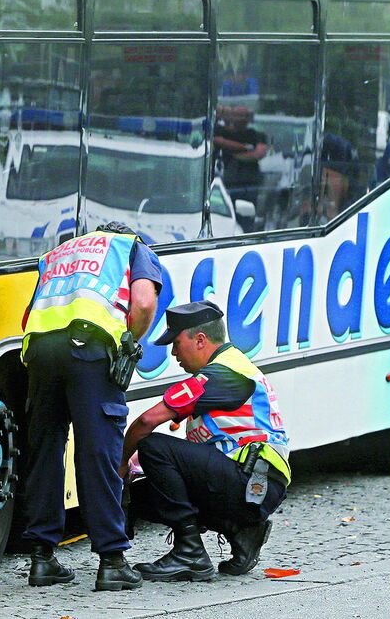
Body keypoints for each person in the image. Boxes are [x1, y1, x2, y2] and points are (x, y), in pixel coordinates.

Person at [20, 221, 161, 590]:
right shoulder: (130, 246)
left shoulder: (57, 254)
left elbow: (27, 314)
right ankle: (112, 560)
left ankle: (42, 559)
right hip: (90, 351)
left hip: (40, 351)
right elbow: (144, 302)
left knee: (45, 450)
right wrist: (130, 340)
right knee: (97, 449)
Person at [120, 300, 291, 581]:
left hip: (253, 484)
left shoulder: (224, 373)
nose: (173, 352)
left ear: (200, 340)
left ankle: (190, 554)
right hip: (251, 483)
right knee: (143, 496)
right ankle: (242, 532)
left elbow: (146, 423)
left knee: (152, 445)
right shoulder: (230, 368)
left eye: (176, 343)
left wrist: (122, 463)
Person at [213, 106, 267, 230]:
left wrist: (236, 155)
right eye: (237, 115)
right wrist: (245, 148)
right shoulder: (223, 132)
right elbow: (217, 140)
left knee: (248, 218)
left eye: (244, 115)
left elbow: (259, 153)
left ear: (249, 118)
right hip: (228, 184)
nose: (241, 119)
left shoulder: (256, 135)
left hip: (250, 183)